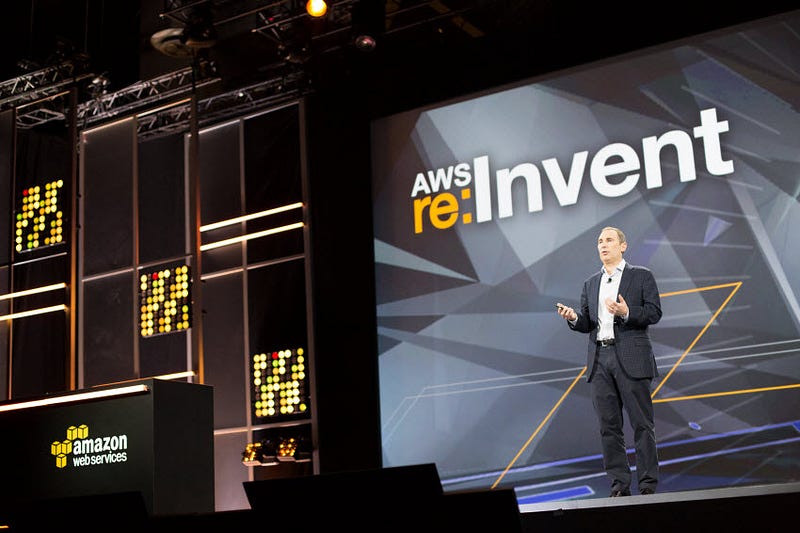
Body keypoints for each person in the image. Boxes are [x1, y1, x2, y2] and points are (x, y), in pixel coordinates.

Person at [556, 226, 662, 497]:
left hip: (631, 357)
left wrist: (627, 312)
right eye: (600, 241)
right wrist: (574, 318)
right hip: (600, 360)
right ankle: (619, 486)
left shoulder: (641, 276)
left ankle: (647, 485)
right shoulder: (591, 283)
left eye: (609, 240)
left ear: (622, 246)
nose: (603, 245)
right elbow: (587, 323)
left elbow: (654, 312)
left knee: (642, 424)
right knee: (608, 428)